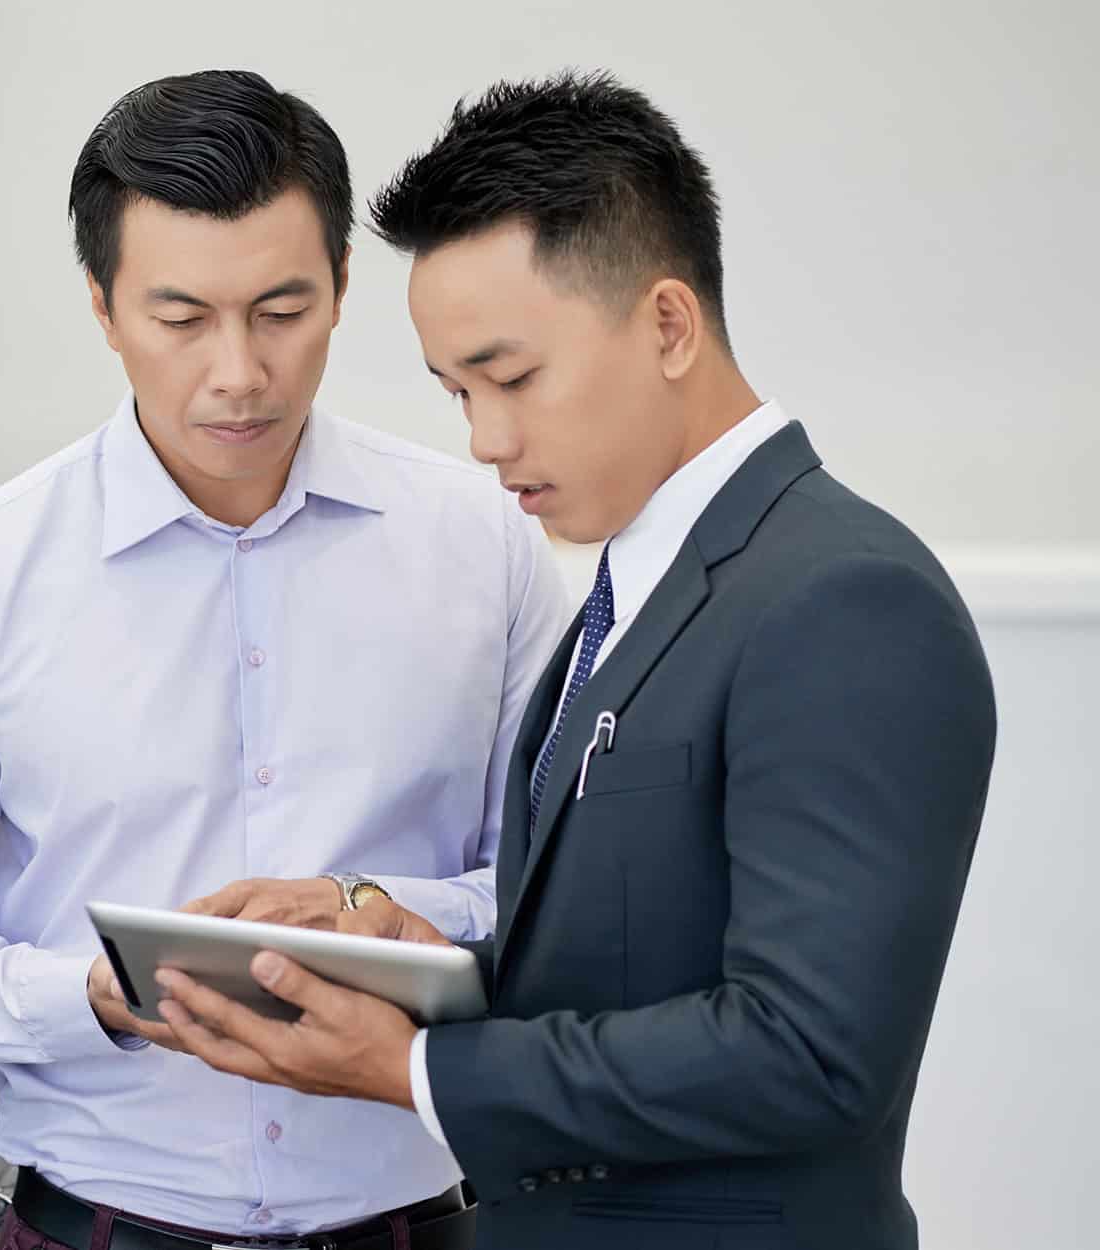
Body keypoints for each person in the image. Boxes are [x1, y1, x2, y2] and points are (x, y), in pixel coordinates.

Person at [151, 71, 998, 1250]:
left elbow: (807, 1049)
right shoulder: (630, 577)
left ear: (665, 323)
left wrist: (425, 1069)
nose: (485, 440)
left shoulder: (842, 597)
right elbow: (625, 952)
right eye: (456, 393)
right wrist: (416, 952)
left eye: (511, 378)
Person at [0, 69, 568, 1250]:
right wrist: (91, 997)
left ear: (338, 290)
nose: (237, 371)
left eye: (281, 311)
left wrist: (371, 913)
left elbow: (551, 893)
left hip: (412, 1219)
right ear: (103, 307)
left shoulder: (486, 546)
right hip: (95, 1224)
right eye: (180, 320)